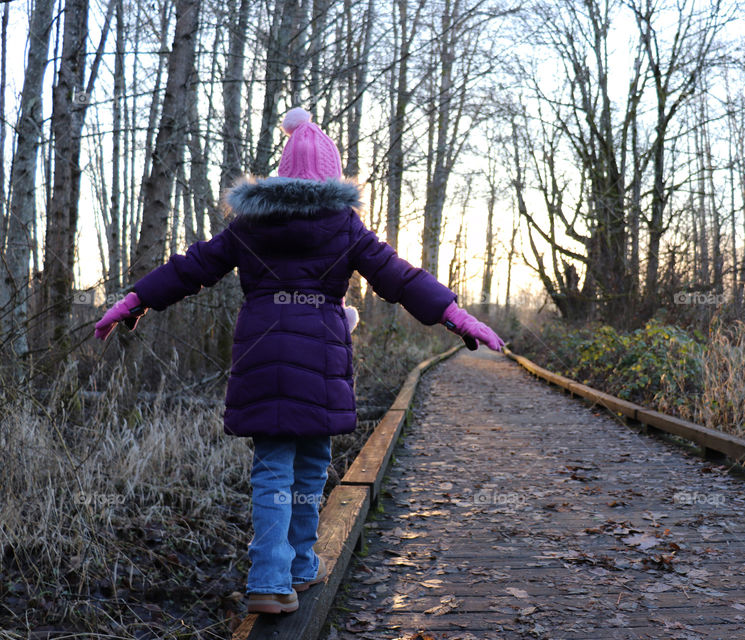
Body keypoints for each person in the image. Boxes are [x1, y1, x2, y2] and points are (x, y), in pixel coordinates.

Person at [94, 107, 504, 614]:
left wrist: (136, 300)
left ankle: (270, 578)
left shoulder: (249, 226)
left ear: (283, 172)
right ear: (331, 177)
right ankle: (301, 564)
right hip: (321, 359)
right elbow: (398, 277)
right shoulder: (346, 227)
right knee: (311, 465)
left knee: (272, 468)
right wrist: (453, 314)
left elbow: (191, 267)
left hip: (261, 353)